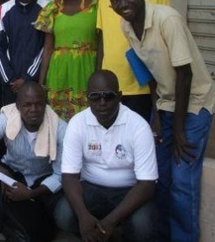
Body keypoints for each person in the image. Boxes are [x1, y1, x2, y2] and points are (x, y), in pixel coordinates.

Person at [106, 0, 215, 242]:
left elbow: (185, 75)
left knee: (182, 181)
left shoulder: (168, 19)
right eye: (117, 1)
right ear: (111, 6)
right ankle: (162, 236)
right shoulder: (126, 26)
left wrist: (178, 130)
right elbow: (147, 72)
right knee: (161, 178)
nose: (124, 4)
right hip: (167, 104)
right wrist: (156, 115)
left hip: (194, 104)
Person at [56, 70, 158, 242]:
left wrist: (110, 222)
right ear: (87, 98)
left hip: (128, 192)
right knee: (63, 214)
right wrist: (83, 217)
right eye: (95, 97)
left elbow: (147, 185)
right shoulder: (77, 123)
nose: (102, 103)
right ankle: (92, 233)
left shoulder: (138, 126)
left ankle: (111, 233)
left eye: (108, 96)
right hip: (91, 188)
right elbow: (69, 177)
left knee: (144, 225)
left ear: (119, 96)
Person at [0, 81, 66, 241]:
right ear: (18, 105)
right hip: (12, 173)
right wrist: (0, 170)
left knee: (40, 231)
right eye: (27, 105)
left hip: (41, 180)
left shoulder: (60, 128)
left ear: (46, 104)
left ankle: (2, 211)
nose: (33, 110)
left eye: (38, 104)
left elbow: (61, 174)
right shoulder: (7, 117)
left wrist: (31, 193)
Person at [96, 0, 170, 122]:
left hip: (144, 84)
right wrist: (98, 74)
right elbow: (102, 41)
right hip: (113, 81)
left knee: (142, 130)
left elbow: (166, 37)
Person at [35, 0, 99, 122]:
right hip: (59, 73)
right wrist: (41, 83)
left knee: (89, 119)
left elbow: (101, 44)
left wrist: (99, 73)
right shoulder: (52, 9)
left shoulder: (97, 5)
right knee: (61, 123)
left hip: (87, 69)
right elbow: (48, 49)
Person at [0, 0, 49, 105]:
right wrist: (11, 80)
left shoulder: (47, 8)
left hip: (36, 83)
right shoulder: (4, 10)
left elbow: (46, 47)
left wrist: (27, 78)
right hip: (11, 87)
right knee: (12, 124)